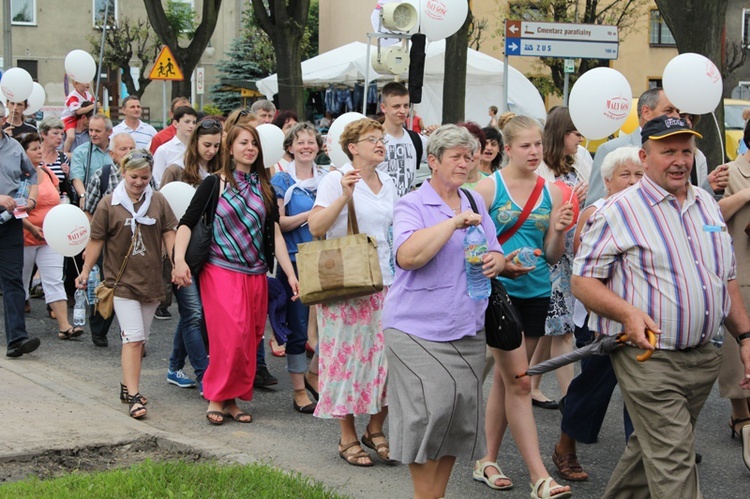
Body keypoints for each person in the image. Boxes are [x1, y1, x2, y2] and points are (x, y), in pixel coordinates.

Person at [572, 115, 750, 498]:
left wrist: (747, 336)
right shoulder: (617, 210)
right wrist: (627, 313)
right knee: (674, 463)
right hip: (648, 359)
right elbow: (582, 281)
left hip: (703, 358)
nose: (680, 160)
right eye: (668, 150)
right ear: (644, 155)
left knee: (648, 452)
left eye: (686, 151)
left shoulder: (707, 204)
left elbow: (726, 278)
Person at [382, 124, 504, 498]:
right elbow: (407, 256)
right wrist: (451, 223)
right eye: (456, 156)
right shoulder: (412, 204)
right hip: (414, 328)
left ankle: (436, 493)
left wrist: (497, 261)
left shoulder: (474, 200)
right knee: (429, 412)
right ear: (433, 161)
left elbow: (494, 248)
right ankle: (425, 495)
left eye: (469, 157)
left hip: (466, 325)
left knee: (458, 416)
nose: (465, 163)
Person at [172, 123, 299, 426]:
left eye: (254, 143)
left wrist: (290, 274)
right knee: (230, 334)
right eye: (243, 143)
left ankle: (232, 400)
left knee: (249, 338)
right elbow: (187, 223)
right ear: (230, 148)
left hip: (255, 273)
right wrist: (179, 261)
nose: (250, 148)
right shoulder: (215, 183)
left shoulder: (264, 187)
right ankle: (216, 397)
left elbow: (276, 234)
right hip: (220, 269)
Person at [473, 115, 573, 498]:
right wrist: (500, 262)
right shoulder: (486, 188)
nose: (534, 152)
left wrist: (560, 231)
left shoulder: (555, 192)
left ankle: (488, 459)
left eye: (538, 145)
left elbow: (551, 256)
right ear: (507, 149)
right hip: (499, 296)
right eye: (526, 146)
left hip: (537, 293)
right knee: (519, 381)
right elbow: (471, 246)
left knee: (506, 378)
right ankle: (539, 476)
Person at [308, 118, 397, 467]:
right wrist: (344, 196)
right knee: (346, 359)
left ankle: (374, 428)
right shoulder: (335, 179)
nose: (380, 143)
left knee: (388, 360)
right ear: (352, 147)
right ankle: (347, 436)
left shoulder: (388, 181)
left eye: (382, 139)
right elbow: (315, 227)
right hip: (346, 281)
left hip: (386, 280)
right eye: (371, 139)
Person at [551, 146, 644, 482]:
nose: (633, 181)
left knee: (643, 395)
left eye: (639, 174)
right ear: (607, 182)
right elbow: (584, 272)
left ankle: (645, 461)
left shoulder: (651, 212)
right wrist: (600, 318)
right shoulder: (596, 212)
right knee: (592, 389)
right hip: (601, 323)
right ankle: (565, 447)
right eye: (625, 175)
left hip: (643, 322)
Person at [77, 149, 178, 419]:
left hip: (151, 280)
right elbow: (96, 239)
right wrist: (85, 270)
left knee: (140, 341)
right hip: (120, 282)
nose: (139, 182)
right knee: (132, 339)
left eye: (145, 177)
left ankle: (126, 386)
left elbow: (169, 230)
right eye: (134, 176)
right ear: (123, 173)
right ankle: (134, 396)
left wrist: (178, 262)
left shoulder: (157, 200)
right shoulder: (109, 204)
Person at [530, 107, 590, 407]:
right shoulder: (542, 167)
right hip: (550, 252)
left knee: (549, 327)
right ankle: (571, 398)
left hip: (569, 252)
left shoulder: (578, 162)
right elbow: (537, 209)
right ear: (561, 133)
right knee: (562, 328)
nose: (580, 138)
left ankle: (532, 385)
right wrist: (571, 201)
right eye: (575, 132)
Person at [161, 119, 223, 392]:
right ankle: (204, 376)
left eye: (216, 146)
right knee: (194, 313)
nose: (210, 150)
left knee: (195, 315)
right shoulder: (176, 171)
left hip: (211, 253)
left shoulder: (222, 175)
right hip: (180, 254)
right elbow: (163, 216)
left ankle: (174, 366)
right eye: (206, 145)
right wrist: (175, 259)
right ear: (195, 142)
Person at [586, 87, 724, 207]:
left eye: (677, 111)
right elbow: (594, 205)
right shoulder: (611, 149)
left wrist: (708, 187)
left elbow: (686, 198)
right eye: (669, 110)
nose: (676, 116)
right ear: (646, 112)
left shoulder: (688, 154)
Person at [271, 122, 327, 413]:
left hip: (325, 258)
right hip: (294, 258)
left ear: (318, 146)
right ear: (290, 147)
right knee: (297, 329)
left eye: (311, 142)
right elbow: (279, 223)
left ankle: (313, 374)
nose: (306, 146)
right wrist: (313, 214)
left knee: (330, 326)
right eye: (300, 142)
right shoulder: (282, 180)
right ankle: (297, 390)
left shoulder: (328, 177)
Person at [17, 133, 81, 339]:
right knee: (20, 283)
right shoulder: (17, 175)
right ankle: (17, 331)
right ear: (22, 153)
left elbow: (57, 198)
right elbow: (16, 209)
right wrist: (32, 228)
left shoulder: (46, 171)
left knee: (54, 279)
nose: (39, 152)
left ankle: (65, 326)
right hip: (24, 237)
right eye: (34, 149)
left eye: (39, 148)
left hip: (49, 237)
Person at [81, 133, 136, 348]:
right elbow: (89, 212)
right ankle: (99, 329)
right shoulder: (101, 175)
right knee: (110, 287)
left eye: (132, 148)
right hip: (110, 245)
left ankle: (133, 337)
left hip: (138, 244)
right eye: (124, 149)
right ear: (112, 154)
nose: (129, 153)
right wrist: (92, 243)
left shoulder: (145, 176)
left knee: (135, 289)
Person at [717, 118, 750, 449]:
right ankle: (740, 412)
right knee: (738, 350)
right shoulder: (731, 172)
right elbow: (713, 214)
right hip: (742, 270)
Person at [0, 102, 41, 358]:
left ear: (4, 118)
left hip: (9, 224)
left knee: (14, 280)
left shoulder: (14, 147)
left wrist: (26, 198)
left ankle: (17, 339)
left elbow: (29, 175)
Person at [377, 82, 427, 197]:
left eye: (406, 105)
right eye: (396, 106)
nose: (403, 111)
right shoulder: (370, 139)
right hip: (379, 210)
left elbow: (440, 162)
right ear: (383, 108)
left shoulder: (417, 140)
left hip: (408, 210)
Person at [70, 115, 113, 208]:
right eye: (91, 130)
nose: (93, 134)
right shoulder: (80, 151)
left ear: (109, 132)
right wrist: (83, 195)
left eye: (97, 131)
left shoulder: (117, 150)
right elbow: (76, 178)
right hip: (91, 200)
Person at [152, 106, 198, 188]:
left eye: (194, 122)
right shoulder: (163, 150)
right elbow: (157, 180)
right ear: (175, 124)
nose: (191, 126)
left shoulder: (197, 149)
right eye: (187, 122)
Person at [61, 80, 95, 153]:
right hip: (69, 118)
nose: (88, 83)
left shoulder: (88, 94)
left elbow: (93, 105)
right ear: (76, 84)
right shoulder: (73, 96)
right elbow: (78, 111)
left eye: (89, 81)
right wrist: (93, 106)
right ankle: (64, 153)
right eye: (84, 81)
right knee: (71, 136)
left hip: (77, 117)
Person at [457, 122, 486, 190]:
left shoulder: (492, 184)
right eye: (463, 148)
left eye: (474, 149)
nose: (469, 155)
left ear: (482, 153)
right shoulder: (442, 183)